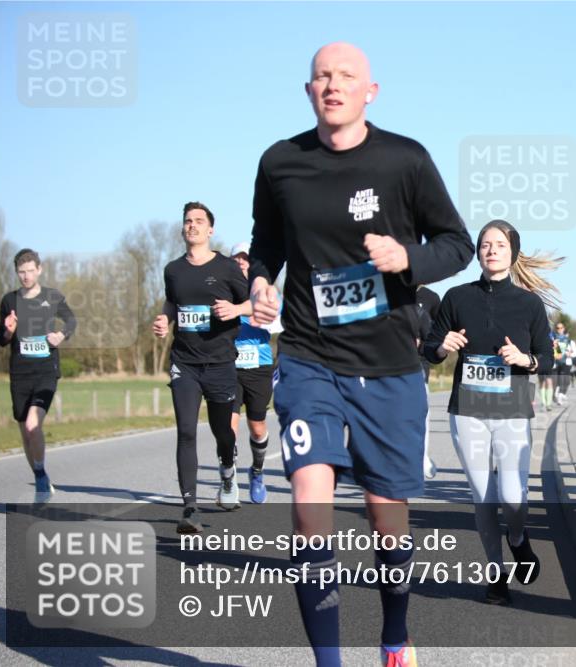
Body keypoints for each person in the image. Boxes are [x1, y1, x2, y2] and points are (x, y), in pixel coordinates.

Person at [248, 42, 474, 665]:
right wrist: (261, 283)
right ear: (308, 90)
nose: (333, 84)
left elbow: (457, 244)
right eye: (322, 75)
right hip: (308, 355)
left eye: (346, 75)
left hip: (388, 363)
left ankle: (395, 632)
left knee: (385, 516)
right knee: (309, 508)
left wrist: (408, 258)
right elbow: (266, 243)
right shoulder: (280, 162)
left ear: (370, 91)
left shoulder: (406, 160)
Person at [425, 219, 558, 605]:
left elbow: (547, 358)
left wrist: (524, 359)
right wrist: (443, 345)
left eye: (500, 244)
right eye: (485, 244)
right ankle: (496, 574)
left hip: (512, 410)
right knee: (483, 496)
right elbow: (430, 350)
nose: (492, 250)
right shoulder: (456, 297)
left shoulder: (529, 304)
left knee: (514, 497)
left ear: (512, 252)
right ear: (478, 253)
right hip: (467, 410)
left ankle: (517, 537)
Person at [153, 202, 247, 533]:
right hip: (185, 362)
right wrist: (165, 319)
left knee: (223, 432)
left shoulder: (227, 268)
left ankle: (227, 470)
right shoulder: (173, 270)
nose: (191, 225)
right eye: (187, 221)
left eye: (198, 221)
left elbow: (254, 302)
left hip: (220, 362)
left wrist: (236, 310)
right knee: (186, 431)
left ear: (210, 230)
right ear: (183, 229)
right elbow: (172, 301)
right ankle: (190, 508)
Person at [0, 248, 77, 504]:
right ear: (16, 272)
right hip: (19, 374)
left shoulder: (52, 297)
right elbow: (1, 339)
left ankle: (40, 478)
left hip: (45, 371)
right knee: (25, 432)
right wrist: (8, 332)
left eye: (31, 271)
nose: (26, 276)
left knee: (33, 425)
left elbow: (71, 321)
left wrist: (61, 335)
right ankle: (41, 475)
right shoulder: (9, 301)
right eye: (21, 272)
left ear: (39, 270)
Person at [223, 242, 282, 504]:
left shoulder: (267, 292)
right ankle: (228, 480)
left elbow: (276, 321)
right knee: (228, 427)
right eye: (235, 258)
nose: (240, 262)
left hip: (259, 367)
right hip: (229, 367)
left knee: (258, 429)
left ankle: (257, 472)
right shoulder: (222, 292)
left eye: (245, 258)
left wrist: (252, 312)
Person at [416, 285, 441, 479]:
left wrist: (421, 342)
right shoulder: (385, 289)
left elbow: (437, 334)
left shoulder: (431, 297)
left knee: (421, 413)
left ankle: (422, 456)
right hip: (386, 361)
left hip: (418, 364)